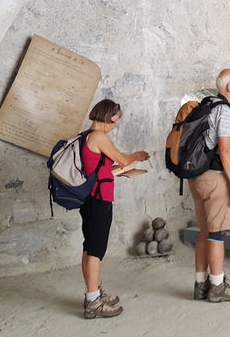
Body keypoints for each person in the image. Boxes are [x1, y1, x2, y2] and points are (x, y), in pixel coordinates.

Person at [79, 99, 150, 319]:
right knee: (96, 250)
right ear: (109, 116)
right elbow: (123, 158)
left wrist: (118, 169)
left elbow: (102, 167)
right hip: (99, 200)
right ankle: (93, 302)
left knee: (90, 247)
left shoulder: (86, 136)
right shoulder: (99, 137)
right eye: (116, 119)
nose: (116, 124)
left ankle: (95, 292)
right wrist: (137, 156)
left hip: (90, 199)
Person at [191, 68, 230, 303]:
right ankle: (217, 286)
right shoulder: (225, 110)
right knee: (217, 235)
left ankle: (200, 284)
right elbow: (224, 150)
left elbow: (217, 143)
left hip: (197, 177)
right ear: (229, 87)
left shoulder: (207, 105)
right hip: (216, 179)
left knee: (204, 232)